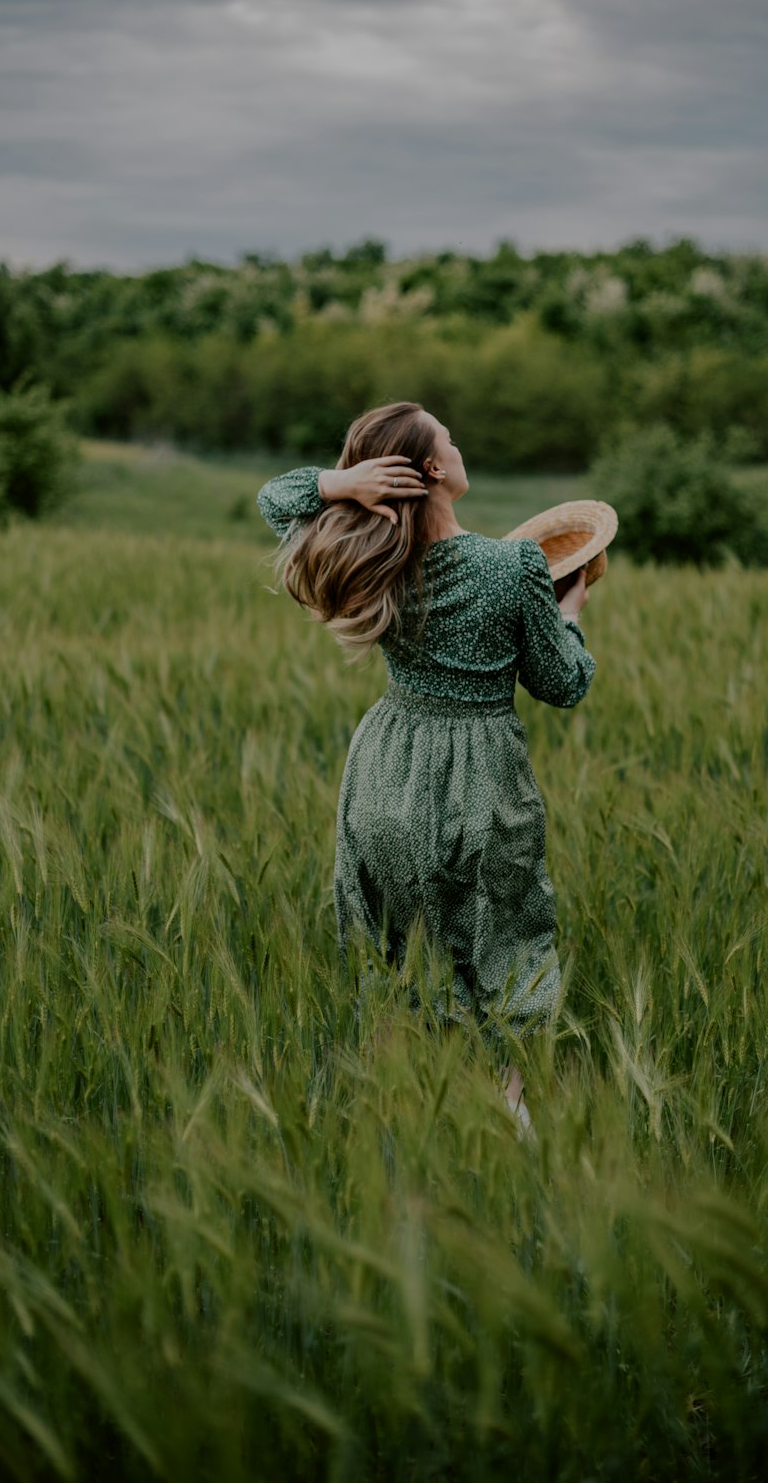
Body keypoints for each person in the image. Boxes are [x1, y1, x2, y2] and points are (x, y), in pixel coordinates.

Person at [257, 401, 595, 1137]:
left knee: (397, 952)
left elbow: (276, 497)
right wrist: (570, 612)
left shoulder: (373, 554)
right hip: (480, 780)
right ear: (436, 468)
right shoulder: (514, 567)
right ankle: (516, 1133)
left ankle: (398, 1123)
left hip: (386, 769)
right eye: (451, 438)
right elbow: (562, 684)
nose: (460, 444)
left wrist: (340, 487)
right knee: (506, 951)